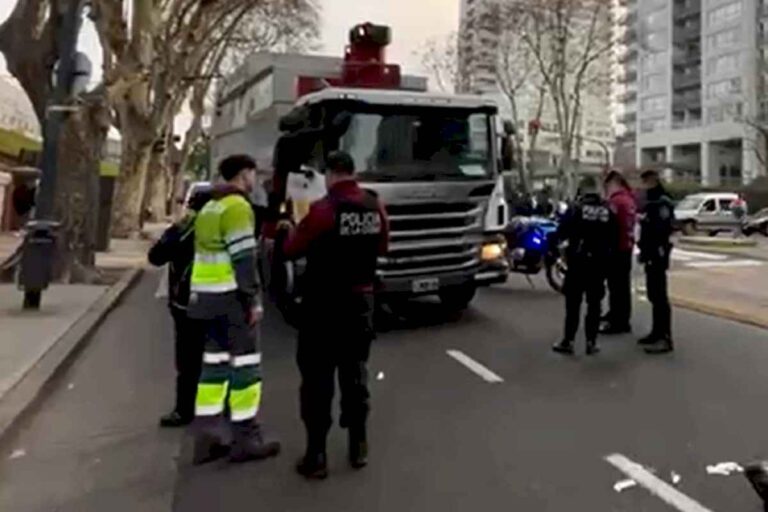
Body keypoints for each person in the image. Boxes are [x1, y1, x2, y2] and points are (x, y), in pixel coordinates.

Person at [282, 151, 389, 479]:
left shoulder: (323, 210)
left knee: (317, 381)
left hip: (323, 307)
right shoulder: (375, 206)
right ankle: (359, 445)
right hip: (360, 304)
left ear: (329, 174)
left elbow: (291, 250)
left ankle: (317, 456)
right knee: (356, 374)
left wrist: (289, 230)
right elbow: (383, 246)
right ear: (353, 172)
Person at [188, 154, 281, 464]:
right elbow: (243, 258)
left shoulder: (209, 207)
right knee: (245, 369)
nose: (254, 180)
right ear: (244, 175)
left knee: (213, 370)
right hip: (231, 301)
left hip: (205, 300)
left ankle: (208, 438)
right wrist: (253, 300)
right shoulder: (238, 207)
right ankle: (245, 438)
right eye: (253, 174)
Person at [148, 186, 212, 428]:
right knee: (218, 359)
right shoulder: (225, 228)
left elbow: (155, 257)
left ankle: (184, 410)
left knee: (188, 358)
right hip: (220, 300)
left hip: (185, 302)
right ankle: (215, 411)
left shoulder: (182, 228)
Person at [553, 176, 617, 356]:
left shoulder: (576, 209)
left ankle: (568, 341)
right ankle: (591, 342)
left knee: (573, 304)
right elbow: (614, 237)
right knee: (594, 304)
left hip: (578, 262)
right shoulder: (607, 210)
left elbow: (561, 232)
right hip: (599, 263)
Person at [637, 169, 675, 354]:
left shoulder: (662, 202)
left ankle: (665, 337)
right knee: (653, 294)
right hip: (650, 252)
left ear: (652, 181)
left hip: (657, 254)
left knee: (659, 296)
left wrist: (653, 251)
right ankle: (656, 332)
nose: (644, 186)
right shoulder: (651, 201)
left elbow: (661, 229)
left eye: (646, 182)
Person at [600, 170, 637, 335]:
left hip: (615, 248)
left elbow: (609, 225)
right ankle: (619, 316)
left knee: (616, 286)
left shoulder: (615, 202)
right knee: (622, 285)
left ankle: (618, 320)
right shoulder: (629, 199)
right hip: (626, 247)